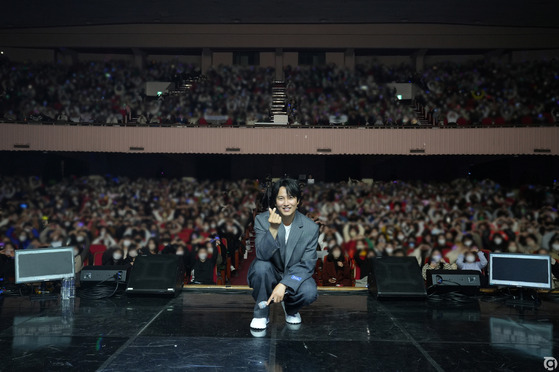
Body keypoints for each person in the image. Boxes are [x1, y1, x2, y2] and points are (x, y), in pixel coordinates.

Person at [247, 178, 319, 332]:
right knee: (261, 267)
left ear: (298, 201)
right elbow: (261, 255)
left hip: (293, 274)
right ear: (275, 201)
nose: (286, 203)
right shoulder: (262, 220)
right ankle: (261, 313)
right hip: (269, 271)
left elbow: (307, 264)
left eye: (291, 197)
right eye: (281, 198)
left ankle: (291, 308)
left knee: (309, 291)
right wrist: (273, 229)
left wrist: (285, 284)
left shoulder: (310, 228)